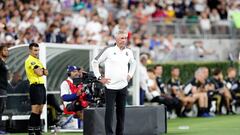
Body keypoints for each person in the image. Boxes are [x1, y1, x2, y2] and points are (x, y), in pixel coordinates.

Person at [92, 29, 136, 135]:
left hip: (123, 86)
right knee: (110, 113)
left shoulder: (128, 52)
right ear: (116, 39)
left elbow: (133, 63)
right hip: (110, 87)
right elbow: (94, 61)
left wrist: (130, 75)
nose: (124, 40)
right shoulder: (108, 50)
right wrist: (99, 77)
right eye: (122, 38)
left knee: (121, 113)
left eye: (125, 38)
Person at [25, 43, 48, 135]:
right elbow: (39, 72)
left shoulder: (38, 60)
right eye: (35, 50)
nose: (36, 52)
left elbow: (46, 72)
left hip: (41, 86)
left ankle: (37, 130)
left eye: (37, 50)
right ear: (30, 50)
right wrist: (42, 71)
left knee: (40, 110)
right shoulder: (30, 60)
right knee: (35, 110)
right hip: (35, 86)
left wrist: (42, 71)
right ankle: (30, 130)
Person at [0, 45, 9, 134]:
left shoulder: (4, 62)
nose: (7, 51)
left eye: (7, 50)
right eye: (5, 50)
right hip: (0, 88)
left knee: (2, 109)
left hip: (4, 88)